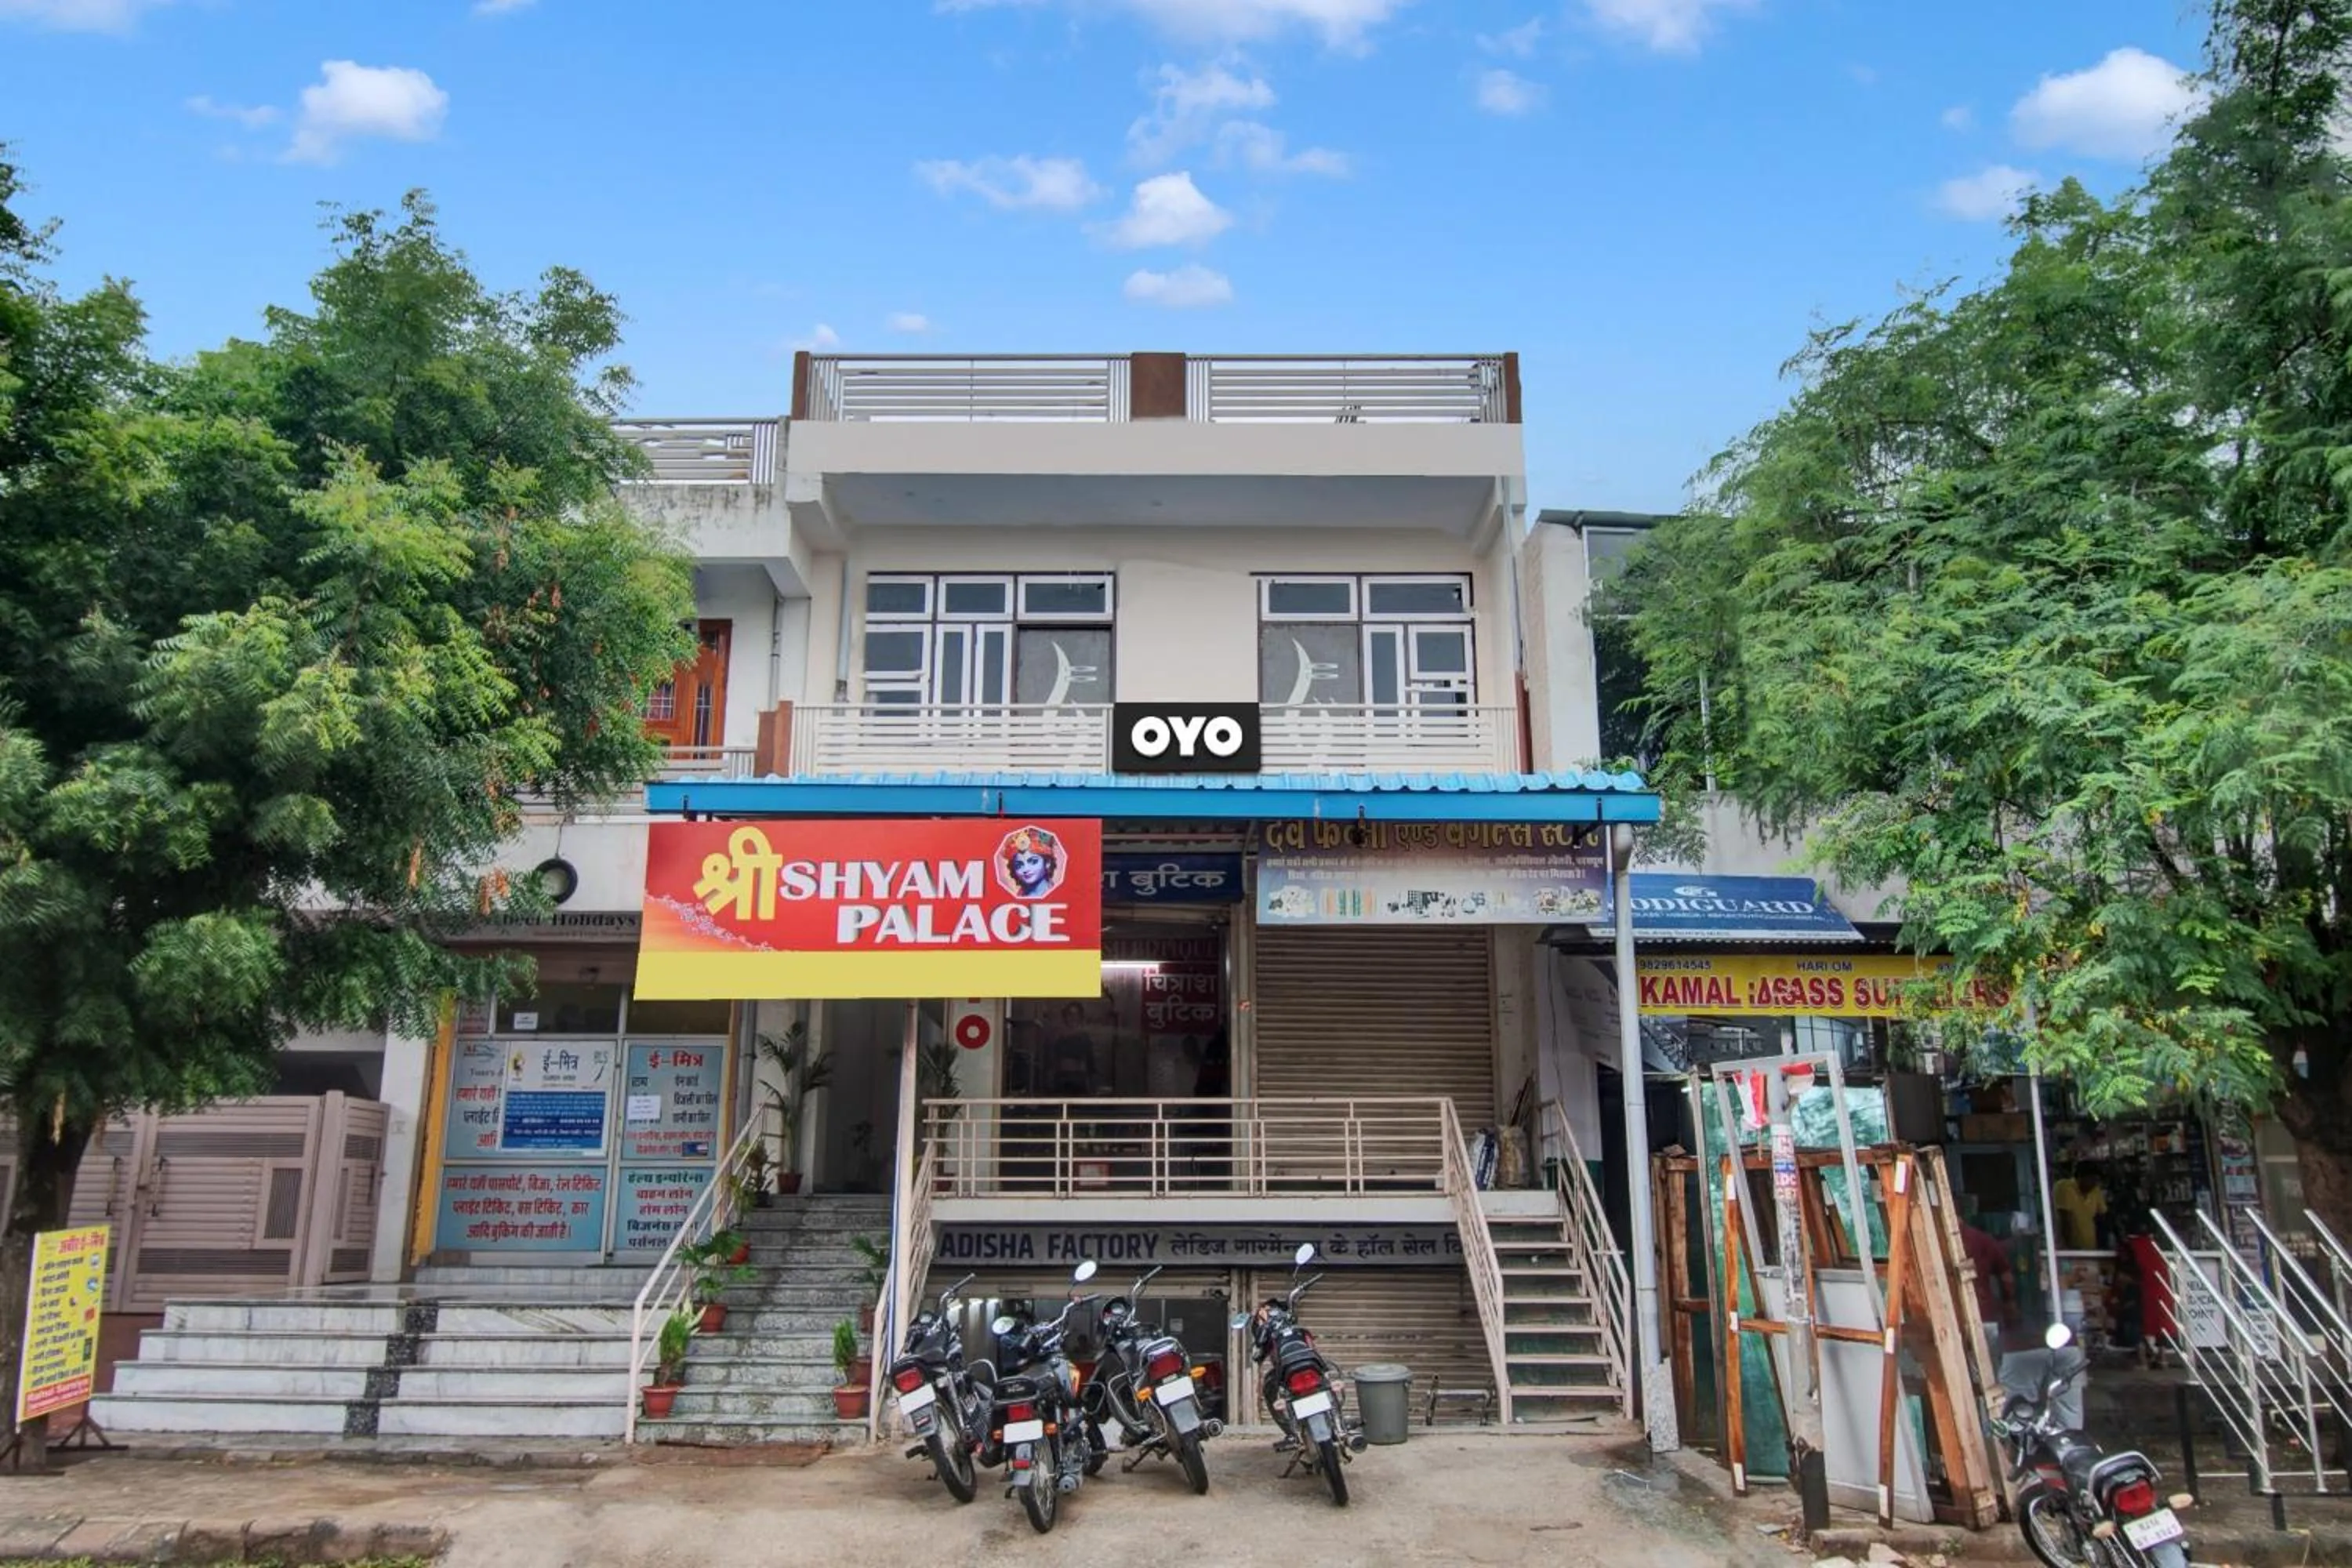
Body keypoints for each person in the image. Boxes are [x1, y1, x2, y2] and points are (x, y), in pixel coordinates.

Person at [1958, 1214, 2018, 1363]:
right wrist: (2009, 1300)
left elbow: (2005, 1274)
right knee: (1989, 1368)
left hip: (1961, 1320)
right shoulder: (1982, 1239)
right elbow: (2006, 1274)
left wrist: (2008, 1302)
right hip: (1982, 1317)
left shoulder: (1937, 1241)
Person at [2053, 1163, 2109, 1250]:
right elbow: (2064, 1219)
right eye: (2092, 1179)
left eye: (2097, 1181)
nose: (2094, 1183)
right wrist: (2069, 1248)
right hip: (2068, 1249)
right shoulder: (2064, 1187)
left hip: (2090, 1248)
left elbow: (2101, 1217)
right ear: (2080, 1177)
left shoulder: (2095, 1191)